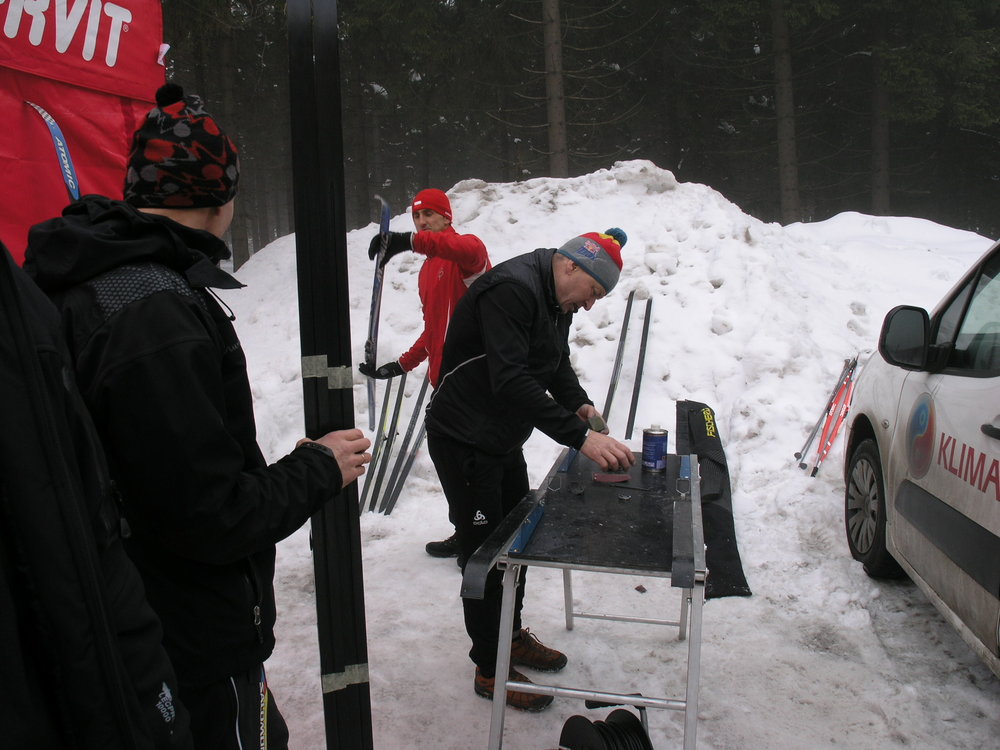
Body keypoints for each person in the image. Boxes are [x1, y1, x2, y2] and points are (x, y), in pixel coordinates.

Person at [23, 83, 372, 750]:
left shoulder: (97, 280)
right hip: (185, 640)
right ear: (220, 201)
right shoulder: (156, 318)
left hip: (137, 621)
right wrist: (319, 467)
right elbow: (208, 517)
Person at [425, 228, 635, 711]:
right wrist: (579, 437)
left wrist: (578, 405)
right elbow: (511, 378)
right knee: (483, 556)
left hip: (501, 437)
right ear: (572, 268)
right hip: (465, 439)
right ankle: (489, 667)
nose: (590, 305)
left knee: (513, 546)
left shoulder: (553, 297)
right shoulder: (513, 290)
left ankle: (511, 637)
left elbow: (552, 360)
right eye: (594, 293)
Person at [0, 240, 192, 749]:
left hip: (109, 649)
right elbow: (203, 506)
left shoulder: (27, 302)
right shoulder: (154, 304)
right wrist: (316, 471)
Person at [360, 188, 490, 561]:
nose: (422, 222)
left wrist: (412, 241)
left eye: (429, 215)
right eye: (417, 217)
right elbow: (434, 330)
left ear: (447, 216)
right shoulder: (428, 269)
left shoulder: (466, 252)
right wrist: (400, 364)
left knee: (471, 464)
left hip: (473, 380)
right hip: (445, 383)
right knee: (450, 462)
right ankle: (467, 528)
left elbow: (470, 253)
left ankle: (479, 536)